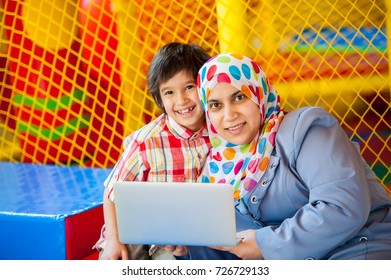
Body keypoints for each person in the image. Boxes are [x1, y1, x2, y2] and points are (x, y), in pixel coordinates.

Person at [165, 53, 391, 260]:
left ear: (259, 93)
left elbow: (343, 207)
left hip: (357, 250)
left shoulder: (306, 129)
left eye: (238, 97)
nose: (229, 115)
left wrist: (267, 244)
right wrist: (188, 249)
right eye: (215, 105)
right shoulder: (216, 169)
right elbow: (234, 246)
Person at [94, 42, 212, 260]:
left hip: (181, 235)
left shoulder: (219, 131)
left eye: (189, 87)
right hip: (137, 229)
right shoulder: (146, 143)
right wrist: (113, 239)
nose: (181, 100)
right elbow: (112, 192)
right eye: (169, 92)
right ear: (159, 98)